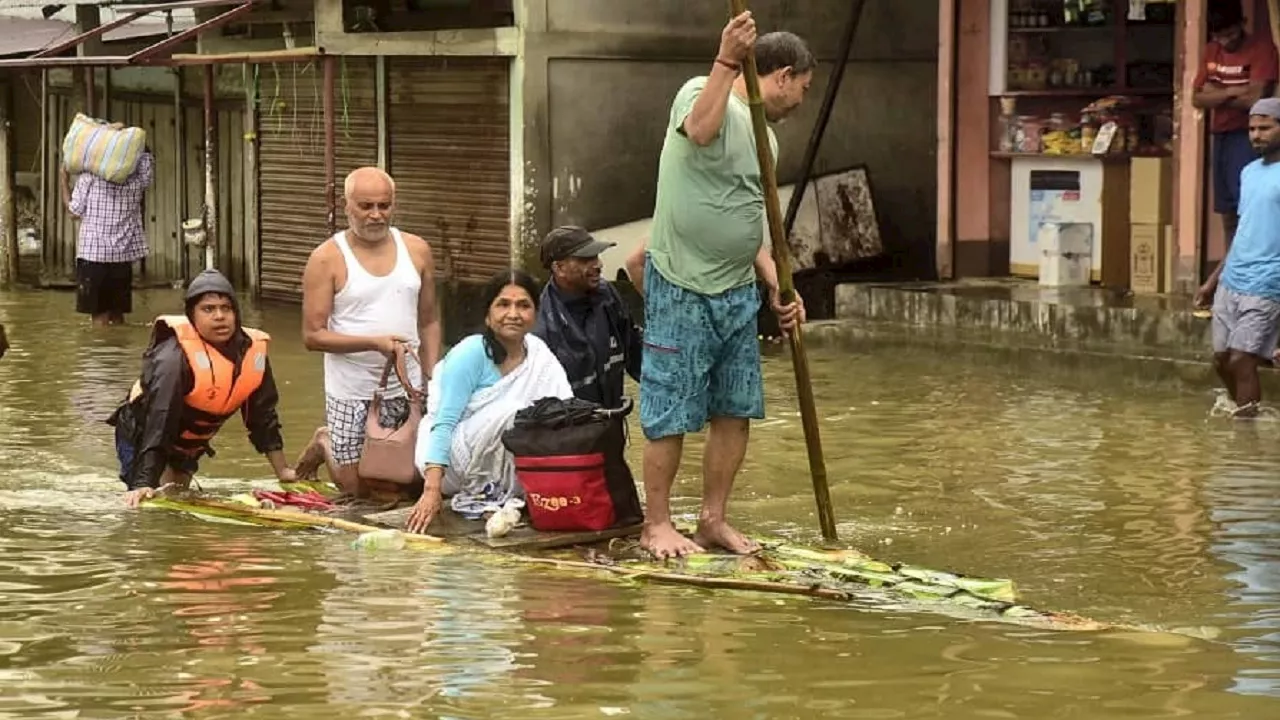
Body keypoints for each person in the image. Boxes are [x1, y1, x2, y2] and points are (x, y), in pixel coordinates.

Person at [637, 14, 810, 559]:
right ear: (782, 76)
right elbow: (700, 129)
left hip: (737, 289)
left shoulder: (768, 140)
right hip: (682, 281)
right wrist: (726, 57)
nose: (802, 101)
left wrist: (777, 284)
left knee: (734, 409)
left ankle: (713, 520)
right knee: (670, 407)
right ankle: (657, 524)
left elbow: (749, 223)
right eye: (803, 88)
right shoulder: (701, 91)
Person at [301, 167, 443, 499]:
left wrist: (432, 375)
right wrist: (373, 343)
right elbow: (312, 336)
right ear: (345, 205)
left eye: (384, 206)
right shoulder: (326, 258)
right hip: (350, 388)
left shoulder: (417, 250)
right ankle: (325, 441)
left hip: (406, 382)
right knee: (355, 490)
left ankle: (341, 445)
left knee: (403, 481)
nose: (376, 215)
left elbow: (429, 320)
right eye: (366, 207)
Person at [107, 269, 297, 508]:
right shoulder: (173, 359)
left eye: (226, 308)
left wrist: (283, 471)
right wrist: (143, 481)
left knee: (177, 494)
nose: (220, 316)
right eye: (208, 309)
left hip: (189, 443)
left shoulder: (252, 352)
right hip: (143, 435)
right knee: (153, 502)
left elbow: (263, 417)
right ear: (192, 316)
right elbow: (160, 419)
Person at [406, 270, 573, 535]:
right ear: (488, 314)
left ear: (535, 314)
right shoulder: (470, 353)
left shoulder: (539, 354)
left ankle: (513, 492)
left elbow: (565, 411)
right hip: (451, 462)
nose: (514, 314)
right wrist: (431, 490)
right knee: (513, 411)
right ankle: (479, 497)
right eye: (503, 304)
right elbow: (443, 423)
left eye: (523, 305)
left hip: (509, 462)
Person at [1193, 2, 1279, 308]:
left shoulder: (1261, 48)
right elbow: (1196, 97)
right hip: (1222, 135)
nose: (1226, 41)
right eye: (1220, 36)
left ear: (1242, 23)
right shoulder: (1211, 51)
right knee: (1228, 212)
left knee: (1250, 213)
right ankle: (1228, 279)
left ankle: (1242, 281)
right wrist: (1234, 93)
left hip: (1248, 137)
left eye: (1230, 33)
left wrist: (1219, 93)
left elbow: (1257, 97)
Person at [1209, 98, 1280, 418]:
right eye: (1252, 128)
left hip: (1267, 282)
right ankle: (1245, 412)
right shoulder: (1249, 172)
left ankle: (1246, 442)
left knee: (1242, 359)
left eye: (1265, 128)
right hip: (1232, 278)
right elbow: (1243, 229)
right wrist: (1212, 279)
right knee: (1221, 360)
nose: (1256, 135)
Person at [533, 226, 642, 408]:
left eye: (597, 257)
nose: (599, 265)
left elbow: (634, 349)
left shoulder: (607, 295)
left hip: (611, 422)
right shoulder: (542, 329)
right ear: (559, 268)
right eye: (586, 259)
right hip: (569, 430)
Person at [63, 140, 155, 326]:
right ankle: (118, 354)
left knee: (99, 318)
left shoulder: (89, 178)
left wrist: (63, 181)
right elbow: (147, 161)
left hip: (93, 257)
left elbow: (74, 212)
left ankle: (102, 355)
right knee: (118, 316)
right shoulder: (136, 181)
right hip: (121, 257)